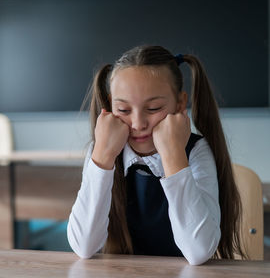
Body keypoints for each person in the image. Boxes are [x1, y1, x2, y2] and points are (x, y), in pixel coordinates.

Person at [67, 45, 245, 265]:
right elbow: (83, 246)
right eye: (123, 110)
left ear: (180, 103)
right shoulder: (102, 150)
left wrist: (173, 155)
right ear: (110, 105)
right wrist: (103, 156)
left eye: (153, 109)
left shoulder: (196, 151)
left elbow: (199, 251)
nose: (138, 124)